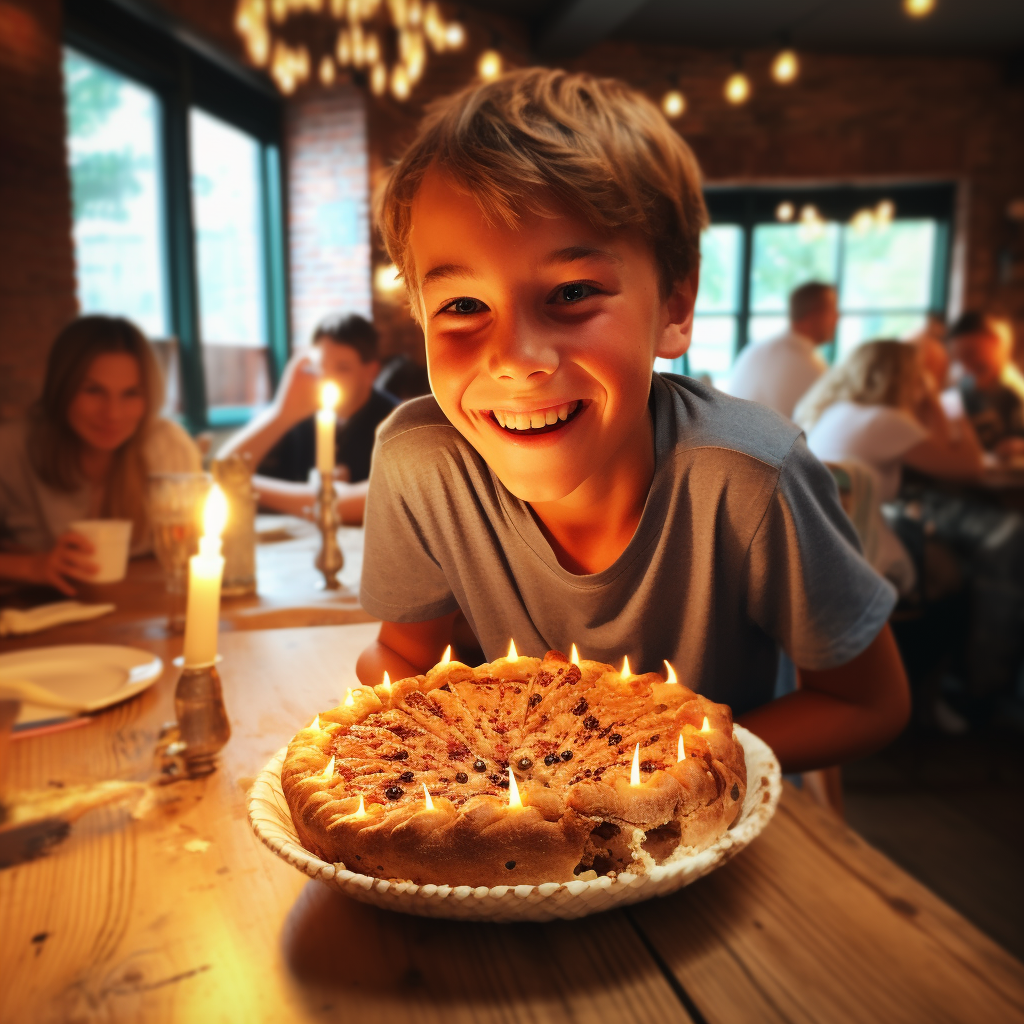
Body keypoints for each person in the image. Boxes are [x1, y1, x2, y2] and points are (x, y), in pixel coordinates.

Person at [352, 68, 911, 775]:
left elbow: (870, 703)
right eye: (462, 306)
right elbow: (403, 655)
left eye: (573, 292)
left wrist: (659, 763)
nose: (517, 360)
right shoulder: (420, 463)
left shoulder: (747, 478)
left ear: (675, 304)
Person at [0, 315, 201, 595]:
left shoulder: (168, 446)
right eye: (93, 390)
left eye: (131, 393)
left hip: (144, 612)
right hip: (39, 616)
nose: (113, 414)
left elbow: (197, 548)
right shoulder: (11, 448)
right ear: (62, 388)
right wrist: (31, 567)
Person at [795, 339, 984, 593]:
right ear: (906, 378)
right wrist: (952, 409)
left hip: (818, 547)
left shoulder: (835, 411)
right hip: (866, 553)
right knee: (955, 567)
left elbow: (938, 449)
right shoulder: (886, 420)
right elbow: (970, 467)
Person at [220, 314, 398, 525]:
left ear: (371, 371)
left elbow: (380, 502)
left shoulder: (395, 421)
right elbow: (224, 470)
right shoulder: (300, 415)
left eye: (342, 368)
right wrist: (281, 414)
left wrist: (244, 486)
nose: (327, 378)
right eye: (320, 366)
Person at [725, 282, 839, 419]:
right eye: (832, 311)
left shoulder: (755, 349)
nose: (837, 318)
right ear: (813, 315)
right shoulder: (810, 367)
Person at [944, 311, 1024, 456]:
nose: (967, 367)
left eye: (971, 354)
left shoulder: (1016, 392)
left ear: (996, 342)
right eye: (960, 360)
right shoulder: (964, 388)